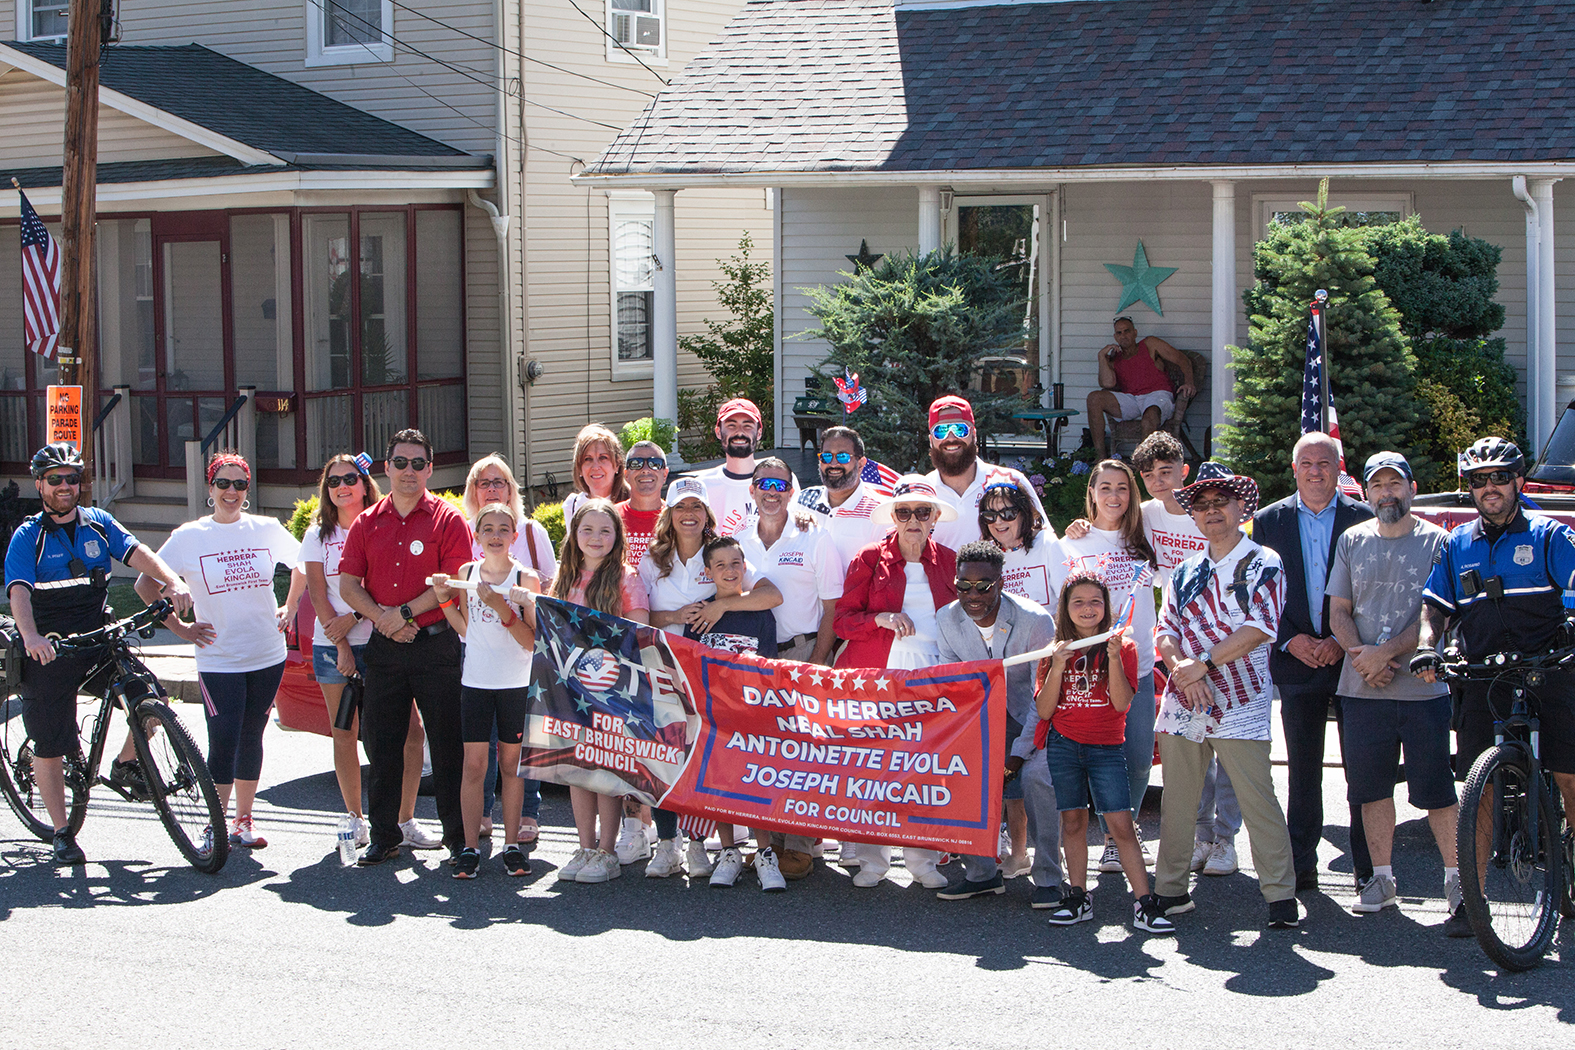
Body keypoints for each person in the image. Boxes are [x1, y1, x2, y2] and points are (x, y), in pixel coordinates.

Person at [5, 442, 193, 864]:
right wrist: (32, 637)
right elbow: (18, 592)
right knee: (52, 742)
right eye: (55, 480)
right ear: (40, 485)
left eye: (72, 479)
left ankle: (127, 764)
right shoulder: (28, 536)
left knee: (151, 698)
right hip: (50, 647)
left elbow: (138, 553)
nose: (65, 486)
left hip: (97, 637)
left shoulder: (98, 523)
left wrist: (173, 581)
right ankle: (60, 832)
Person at [1413, 437, 1575, 920]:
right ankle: (1473, 899)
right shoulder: (1457, 543)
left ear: (1518, 482)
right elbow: (1436, 607)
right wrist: (1427, 646)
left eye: (1500, 478)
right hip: (1485, 673)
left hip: (1551, 668)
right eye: (1480, 480)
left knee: (1569, 773)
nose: (1490, 487)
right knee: (1477, 789)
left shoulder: (1549, 536)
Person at [1152, 462, 1299, 930]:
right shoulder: (1184, 569)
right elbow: (1165, 629)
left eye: (1221, 503)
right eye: (1202, 505)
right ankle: (1170, 891)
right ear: (1192, 516)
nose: (1211, 511)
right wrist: (1181, 668)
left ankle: (1280, 897)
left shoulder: (1264, 561)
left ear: (1241, 508)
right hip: (1185, 697)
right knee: (1178, 799)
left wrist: (1205, 664)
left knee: (1258, 798)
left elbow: (1261, 627)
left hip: (1241, 698)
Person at [1325, 452, 1463, 930]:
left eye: (1395, 485)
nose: (1387, 493)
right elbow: (1338, 612)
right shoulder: (1351, 540)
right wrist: (1364, 656)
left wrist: (1384, 655)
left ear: (1412, 488)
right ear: (1366, 493)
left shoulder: (1439, 542)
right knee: (1370, 791)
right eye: (1378, 485)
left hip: (1423, 691)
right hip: (1361, 689)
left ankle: (1457, 880)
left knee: (1438, 792)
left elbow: (1439, 615)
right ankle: (1380, 880)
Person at [137, 450, 302, 850]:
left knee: (252, 735)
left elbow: (305, 563)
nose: (232, 491)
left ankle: (243, 821)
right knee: (224, 737)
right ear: (211, 488)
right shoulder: (190, 537)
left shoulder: (264, 528)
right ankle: (216, 824)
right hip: (219, 656)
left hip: (267, 651)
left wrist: (292, 605)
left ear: (248, 489)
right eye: (223, 483)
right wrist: (180, 628)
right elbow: (145, 586)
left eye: (240, 484)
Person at [339, 429, 474, 866]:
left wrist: (406, 615)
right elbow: (346, 584)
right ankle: (384, 835)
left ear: (430, 469)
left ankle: (458, 837)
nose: (409, 471)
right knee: (382, 744)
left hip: (435, 647)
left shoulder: (448, 519)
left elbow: (452, 582)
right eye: (401, 462)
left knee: (447, 744)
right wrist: (383, 619)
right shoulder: (366, 521)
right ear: (387, 467)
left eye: (418, 463)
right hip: (385, 649)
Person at [638, 477, 781, 877]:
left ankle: (699, 845)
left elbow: (769, 595)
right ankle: (668, 844)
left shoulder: (721, 553)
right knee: (665, 755)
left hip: (715, 677)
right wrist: (673, 617)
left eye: (696, 508)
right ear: (669, 514)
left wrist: (718, 609)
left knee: (710, 757)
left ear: (706, 514)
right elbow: (637, 614)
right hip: (665, 668)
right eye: (681, 507)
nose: (689, 515)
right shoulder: (652, 560)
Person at [1252, 432, 1374, 893]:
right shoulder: (1268, 522)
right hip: (1296, 658)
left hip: (1353, 659)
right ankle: (1302, 862)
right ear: (1294, 468)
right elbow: (1256, 593)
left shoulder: (1364, 519)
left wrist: (1344, 642)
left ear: (1340, 468)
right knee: (1303, 768)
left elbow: (1374, 592)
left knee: (1362, 766)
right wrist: (1289, 639)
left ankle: (1368, 865)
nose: (1316, 471)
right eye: (1308, 464)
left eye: (1326, 463)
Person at [300, 454, 438, 853]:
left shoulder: (380, 521)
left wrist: (356, 618)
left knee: (410, 733)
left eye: (350, 478)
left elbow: (386, 580)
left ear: (364, 484)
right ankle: (355, 819)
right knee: (344, 732)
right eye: (333, 481)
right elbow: (317, 591)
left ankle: (405, 819)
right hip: (333, 648)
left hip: (382, 641)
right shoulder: (317, 535)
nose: (342, 486)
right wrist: (340, 641)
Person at [834, 476, 959, 888]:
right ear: (893, 517)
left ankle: (923, 860)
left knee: (924, 769)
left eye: (922, 512)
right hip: (878, 674)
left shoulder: (951, 561)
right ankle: (873, 861)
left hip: (932, 674)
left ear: (935, 518)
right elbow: (843, 621)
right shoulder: (869, 558)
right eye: (903, 512)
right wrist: (880, 619)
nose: (912, 520)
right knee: (875, 769)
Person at [1037, 572, 1174, 933]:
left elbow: (1121, 703)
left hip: (1106, 748)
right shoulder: (1053, 650)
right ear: (1065, 608)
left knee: (1121, 825)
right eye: (1078, 602)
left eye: (1095, 602)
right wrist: (1059, 664)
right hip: (1064, 746)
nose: (1087, 609)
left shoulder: (1123, 647)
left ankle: (1145, 901)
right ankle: (1078, 895)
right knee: (1073, 821)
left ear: (1106, 607)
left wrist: (1113, 658)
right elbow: (1045, 711)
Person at [933, 541, 1065, 909]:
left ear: (1002, 582)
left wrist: (1019, 755)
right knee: (960, 772)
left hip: (1032, 716)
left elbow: (1043, 699)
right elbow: (955, 688)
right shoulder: (946, 619)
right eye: (963, 585)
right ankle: (981, 875)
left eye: (983, 586)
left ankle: (1049, 878)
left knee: (1038, 778)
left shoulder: (1036, 621)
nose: (972, 595)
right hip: (981, 719)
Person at [1132, 431, 1239, 877]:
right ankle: (1201, 835)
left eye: (1167, 472)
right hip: (1178, 644)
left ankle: (1227, 840)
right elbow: (1104, 526)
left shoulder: (1211, 514)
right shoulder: (1143, 516)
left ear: (1184, 472)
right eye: (1150, 474)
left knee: (1232, 748)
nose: (1159, 481)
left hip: (1230, 645)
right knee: (1193, 745)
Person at [1050, 459, 1158, 875]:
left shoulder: (1146, 540)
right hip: (1086, 671)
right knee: (1091, 757)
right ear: (1091, 493)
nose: (1114, 496)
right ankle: (1094, 840)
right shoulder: (1071, 543)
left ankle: (1119, 838)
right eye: (1105, 488)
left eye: (1123, 488)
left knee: (1138, 756)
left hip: (1139, 665)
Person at [737, 459, 845, 880]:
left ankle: (799, 848)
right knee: (759, 754)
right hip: (754, 658)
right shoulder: (737, 538)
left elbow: (832, 607)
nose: (772, 491)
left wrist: (819, 661)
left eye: (780, 485)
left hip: (803, 654)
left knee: (804, 755)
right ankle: (767, 846)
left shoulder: (813, 535)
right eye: (763, 483)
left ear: (791, 491)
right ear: (752, 490)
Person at [431, 502, 540, 879]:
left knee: (512, 766)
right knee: (474, 767)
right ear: (476, 535)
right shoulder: (466, 573)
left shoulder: (526, 580)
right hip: (475, 683)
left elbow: (531, 642)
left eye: (503, 529)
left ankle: (512, 845)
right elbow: (466, 629)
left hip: (515, 684)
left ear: (514, 535)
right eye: (487, 528)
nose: (495, 535)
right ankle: (469, 848)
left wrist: (501, 606)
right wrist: (445, 596)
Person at [548, 498, 651, 884]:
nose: (595, 537)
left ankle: (607, 851)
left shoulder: (627, 578)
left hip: (610, 692)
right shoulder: (564, 578)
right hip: (571, 691)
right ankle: (585, 846)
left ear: (617, 536)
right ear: (573, 535)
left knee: (605, 771)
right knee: (578, 770)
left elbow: (638, 634)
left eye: (605, 530)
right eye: (587, 530)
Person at [681, 535, 786, 890]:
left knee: (754, 783)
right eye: (720, 565)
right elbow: (690, 669)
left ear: (745, 567)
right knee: (720, 783)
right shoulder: (698, 614)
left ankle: (764, 853)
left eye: (735, 563)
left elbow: (770, 667)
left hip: (752, 715)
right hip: (714, 716)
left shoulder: (760, 613)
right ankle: (728, 851)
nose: (729, 570)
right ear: (708, 571)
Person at [462, 454, 555, 843]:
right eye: (484, 482)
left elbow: (536, 626)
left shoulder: (528, 552)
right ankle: (473, 831)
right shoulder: (467, 563)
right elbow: (465, 624)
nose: (492, 488)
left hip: (518, 674)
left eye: (499, 482)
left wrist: (513, 606)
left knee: (514, 758)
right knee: (476, 759)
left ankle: (517, 829)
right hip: (477, 674)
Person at [923, 395, 1051, 552]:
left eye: (960, 429)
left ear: (974, 434)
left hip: (1004, 576)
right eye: (940, 431)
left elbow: (1044, 538)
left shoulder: (1011, 481)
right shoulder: (921, 491)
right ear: (931, 440)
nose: (951, 438)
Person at [1086, 316, 1196, 460]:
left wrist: (1189, 382)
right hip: (1131, 399)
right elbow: (1106, 384)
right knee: (1094, 398)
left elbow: (1182, 359)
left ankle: (1144, 464)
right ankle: (1100, 458)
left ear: (1135, 333)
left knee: (1149, 416)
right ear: (1115, 336)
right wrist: (1101, 357)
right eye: (1119, 333)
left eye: (1127, 331)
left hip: (1157, 395)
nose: (1123, 335)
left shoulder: (1150, 344)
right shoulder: (1114, 357)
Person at [692, 398, 796, 536]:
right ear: (718, 432)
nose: (739, 432)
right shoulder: (701, 486)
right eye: (731, 425)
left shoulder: (781, 480)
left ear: (759, 433)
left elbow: (797, 525)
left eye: (747, 425)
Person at [795, 425, 890, 566]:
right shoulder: (802, 500)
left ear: (861, 463)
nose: (833, 464)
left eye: (843, 457)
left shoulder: (879, 513)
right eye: (826, 456)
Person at [978, 476, 1054, 609]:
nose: (998, 521)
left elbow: (1070, 598)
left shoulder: (1047, 543)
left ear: (1024, 513)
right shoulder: (984, 557)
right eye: (990, 515)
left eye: (1007, 513)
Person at [560, 424, 630, 523]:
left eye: (603, 458)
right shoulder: (572, 506)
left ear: (617, 464)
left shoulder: (633, 503)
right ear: (579, 468)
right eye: (588, 459)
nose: (595, 467)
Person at [616, 440, 670, 566]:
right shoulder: (611, 516)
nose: (645, 470)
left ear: (665, 474)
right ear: (626, 475)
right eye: (636, 464)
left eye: (655, 464)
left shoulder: (676, 516)